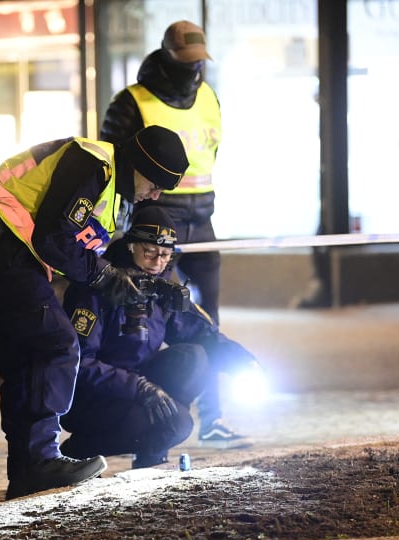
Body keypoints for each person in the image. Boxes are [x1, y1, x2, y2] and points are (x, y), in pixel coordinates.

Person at [0, 125, 188, 500]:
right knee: (56, 344)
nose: (154, 195)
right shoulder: (93, 163)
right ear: (138, 164)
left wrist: (124, 281)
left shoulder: (109, 192)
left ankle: (26, 469)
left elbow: (74, 251)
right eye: (155, 183)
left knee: (24, 359)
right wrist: (103, 276)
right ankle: (41, 459)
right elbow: (52, 238)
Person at [100, 19, 248, 447]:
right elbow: (116, 164)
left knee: (207, 319)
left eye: (199, 62)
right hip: (156, 222)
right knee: (150, 316)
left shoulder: (209, 96)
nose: (193, 69)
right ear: (167, 58)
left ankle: (215, 418)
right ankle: (145, 413)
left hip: (203, 220)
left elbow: (211, 153)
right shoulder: (132, 102)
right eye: (186, 62)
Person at [59, 207, 259, 467]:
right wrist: (139, 388)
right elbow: (79, 365)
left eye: (165, 255)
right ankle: (81, 449)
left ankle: (150, 456)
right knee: (162, 423)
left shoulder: (161, 289)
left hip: (136, 387)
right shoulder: (99, 288)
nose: (157, 261)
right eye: (150, 252)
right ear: (131, 246)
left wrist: (244, 362)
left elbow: (201, 334)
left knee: (193, 362)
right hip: (91, 398)